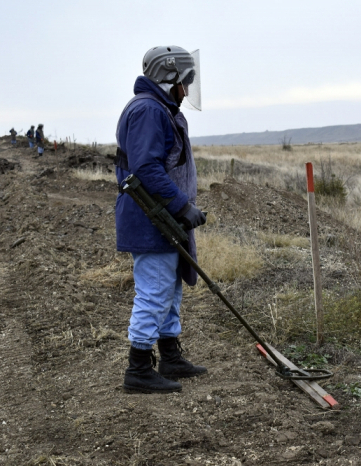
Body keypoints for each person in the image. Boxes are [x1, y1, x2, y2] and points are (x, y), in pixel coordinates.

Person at [115, 45, 206, 394]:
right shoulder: (148, 111)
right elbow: (146, 167)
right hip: (150, 217)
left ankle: (169, 356)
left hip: (164, 219)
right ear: (170, 79)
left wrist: (180, 210)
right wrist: (181, 206)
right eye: (186, 81)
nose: (188, 88)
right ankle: (138, 368)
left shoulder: (161, 109)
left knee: (170, 289)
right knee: (154, 292)